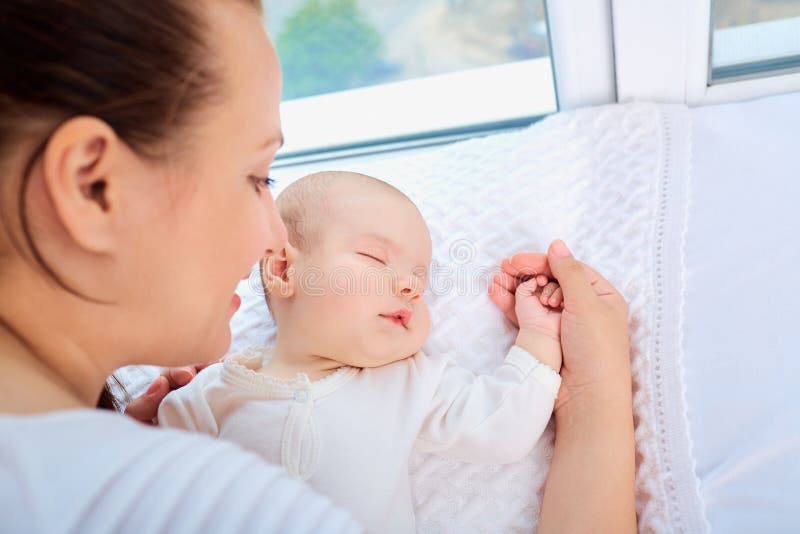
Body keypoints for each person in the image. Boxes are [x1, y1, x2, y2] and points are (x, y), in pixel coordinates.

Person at [0, 1, 635, 532]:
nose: (270, 233)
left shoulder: (404, 384)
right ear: (93, 187)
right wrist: (601, 390)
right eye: (256, 177)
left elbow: (497, 422)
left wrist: (560, 358)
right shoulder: (202, 481)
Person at [157, 170, 565, 532]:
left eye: (419, 280)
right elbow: (149, 494)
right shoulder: (210, 395)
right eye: (375, 258)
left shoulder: (407, 383)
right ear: (283, 270)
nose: (410, 286)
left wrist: (541, 333)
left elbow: (500, 428)